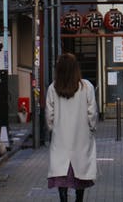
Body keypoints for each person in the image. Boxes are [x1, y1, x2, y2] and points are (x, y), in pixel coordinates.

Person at [46, 52, 97, 202]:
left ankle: (63, 198)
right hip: (81, 139)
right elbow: (92, 113)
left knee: (62, 173)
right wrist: (91, 129)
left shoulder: (53, 88)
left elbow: (49, 116)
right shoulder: (86, 87)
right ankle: (79, 199)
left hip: (60, 140)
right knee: (80, 174)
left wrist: (53, 130)